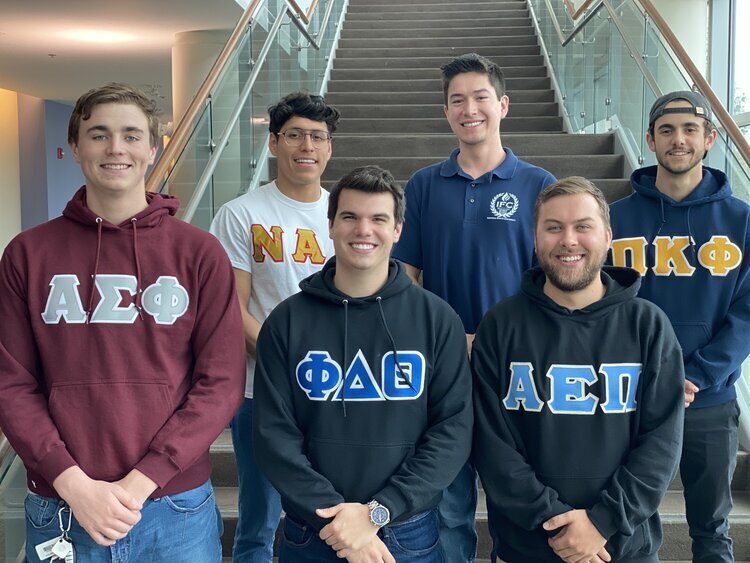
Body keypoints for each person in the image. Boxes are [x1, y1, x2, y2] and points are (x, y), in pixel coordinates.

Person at [0, 83, 245, 562]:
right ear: (75, 147)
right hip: (62, 506)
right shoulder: (27, 255)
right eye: (99, 134)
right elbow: (11, 383)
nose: (116, 148)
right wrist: (71, 482)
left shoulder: (199, 253)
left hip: (174, 507)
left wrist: (144, 479)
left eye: (132, 136)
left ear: (153, 149)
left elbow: (221, 382)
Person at [252, 165, 473, 562]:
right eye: (350, 217)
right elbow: (274, 437)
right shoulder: (286, 323)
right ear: (331, 225)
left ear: (399, 230)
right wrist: (339, 524)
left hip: (407, 532)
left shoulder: (438, 321)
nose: (363, 230)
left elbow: (452, 432)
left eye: (378, 219)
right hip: (312, 532)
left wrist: (377, 513)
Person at [392, 51, 556, 561]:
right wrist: (445, 339)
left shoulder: (538, 185)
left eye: (481, 97)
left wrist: (493, 338)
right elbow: (408, 278)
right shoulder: (422, 185)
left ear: (503, 105)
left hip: (518, 370)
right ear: (446, 112)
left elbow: (553, 281)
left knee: (519, 500)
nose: (470, 109)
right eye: (457, 100)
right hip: (445, 370)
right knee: (448, 507)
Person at [473, 176, 685, 563]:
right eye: (553, 228)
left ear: (607, 236)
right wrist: (557, 523)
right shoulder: (501, 325)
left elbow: (662, 444)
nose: (568, 240)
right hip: (527, 548)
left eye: (582, 227)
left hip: (622, 548)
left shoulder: (648, 325)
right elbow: (492, 445)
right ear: (535, 239)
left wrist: (602, 523)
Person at [609, 90, 750, 562]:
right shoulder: (615, 218)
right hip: (632, 398)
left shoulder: (741, 220)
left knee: (711, 528)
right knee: (630, 521)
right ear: (650, 140)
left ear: (709, 138)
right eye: (666, 130)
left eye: (690, 130)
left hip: (709, 401)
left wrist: (698, 374)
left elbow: (748, 312)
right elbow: (599, 308)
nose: (678, 140)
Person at [209, 91, 339, 562]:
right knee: (258, 518)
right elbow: (229, 307)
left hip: (334, 392)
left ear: (329, 148)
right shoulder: (241, 214)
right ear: (273, 143)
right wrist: (287, 361)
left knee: (333, 514)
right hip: (259, 391)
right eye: (295, 135)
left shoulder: (344, 216)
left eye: (318, 137)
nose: (307, 146)